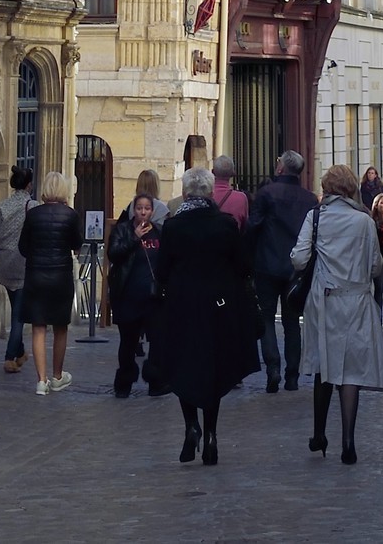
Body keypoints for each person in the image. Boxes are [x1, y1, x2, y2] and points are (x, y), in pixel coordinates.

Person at [154, 164, 260, 464]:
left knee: (183, 365)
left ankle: (191, 426)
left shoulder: (174, 227)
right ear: (210, 191)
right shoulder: (225, 225)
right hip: (218, 306)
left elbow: (162, 270)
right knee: (213, 368)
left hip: (182, 305)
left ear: (186, 192)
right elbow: (243, 265)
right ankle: (212, 433)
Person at [292, 165, 383, 466]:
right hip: (357, 301)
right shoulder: (363, 221)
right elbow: (376, 266)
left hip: (325, 300)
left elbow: (298, 259)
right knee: (350, 373)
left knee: (325, 366)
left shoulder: (316, 217)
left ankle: (319, 434)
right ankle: (348, 440)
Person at [246, 149, 319, 392]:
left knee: (267, 318)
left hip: (267, 264)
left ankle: (273, 367)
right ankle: (292, 375)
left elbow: (253, 228)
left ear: (280, 169)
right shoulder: (309, 199)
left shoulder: (266, 194)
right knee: (291, 322)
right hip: (295, 268)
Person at [19, 169, 83, 396]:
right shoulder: (71, 215)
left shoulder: (33, 215)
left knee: (38, 327)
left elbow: (23, 248)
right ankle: (57, 376)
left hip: (36, 275)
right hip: (60, 276)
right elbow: (77, 243)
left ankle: (41, 381)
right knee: (60, 327)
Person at [107, 191, 167, 397]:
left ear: (152, 211)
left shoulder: (159, 232)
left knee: (158, 341)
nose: (143, 212)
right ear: (134, 210)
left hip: (153, 297)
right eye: (140, 208)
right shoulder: (123, 230)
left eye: (147, 209)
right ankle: (124, 382)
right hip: (128, 296)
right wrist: (134, 238)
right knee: (128, 342)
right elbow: (113, 253)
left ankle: (156, 381)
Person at [0, 160, 33, 373]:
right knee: (19, 316)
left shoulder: (1, 206)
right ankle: (9, 357)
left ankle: (21, 352)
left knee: (17, 308)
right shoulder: (32, 207)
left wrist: (5, 243)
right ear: (28, 186)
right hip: (24, 264)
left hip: (6, 263)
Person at [361, 166, 383, 324]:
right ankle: (377, 316)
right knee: (379, 287)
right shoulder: (371, 222)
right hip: (376, 256)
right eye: (382, 203)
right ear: (377, 205)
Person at [211, 154, 249, 227]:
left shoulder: (206, 196)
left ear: (213, 172)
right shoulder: (241, 198)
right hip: (233, 237)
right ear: (233, 173)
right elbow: (245, 226)